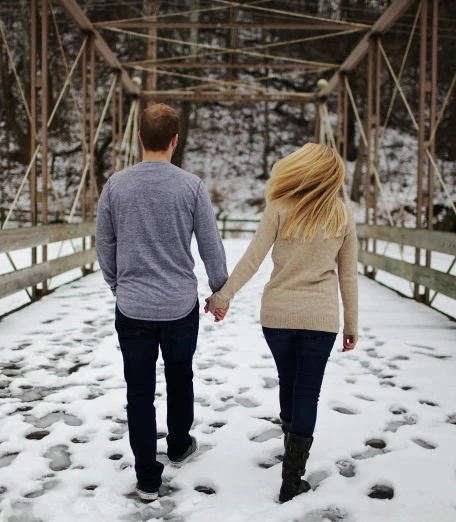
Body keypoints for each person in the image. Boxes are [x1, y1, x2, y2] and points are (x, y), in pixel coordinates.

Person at [205, 143, 359, 503]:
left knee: (289, 383)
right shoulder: (341, 215)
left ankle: (291, 454)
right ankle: (293, 477)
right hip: (321, 319)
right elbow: (348, 275)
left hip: (277, 315)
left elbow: (252, 259)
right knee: (307, 392)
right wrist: (351, 324)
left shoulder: (279, 207)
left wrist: (222, 298)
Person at [96, 103, 228, 502]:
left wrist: (119, 286)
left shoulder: (115, 186)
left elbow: (105, 244)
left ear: (139, 138)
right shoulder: (191, 186)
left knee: (138, 391)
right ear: (175, 140)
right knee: (179, 377)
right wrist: (219, 291)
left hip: (133, 306)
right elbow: (210, 246)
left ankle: (147, 479)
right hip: (179, 306)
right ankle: (178, 445)